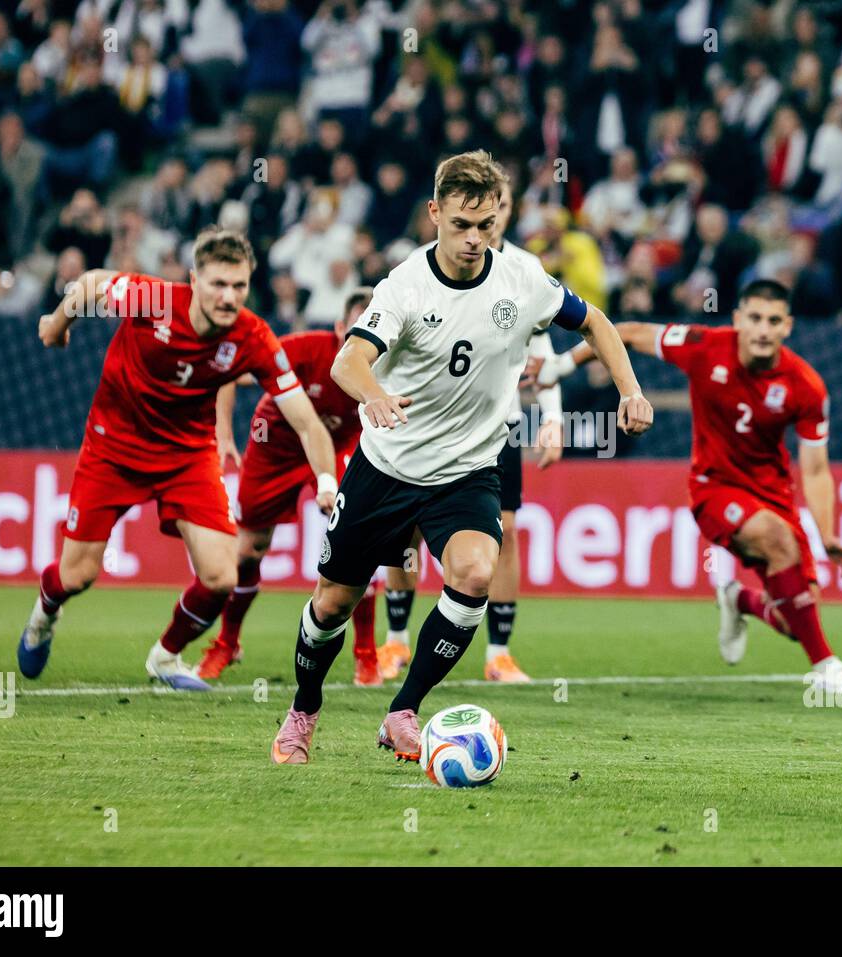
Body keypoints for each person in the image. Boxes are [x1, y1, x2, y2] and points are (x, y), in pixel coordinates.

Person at [269, 150, 653, 764]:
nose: (474, 239)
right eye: (460, 225)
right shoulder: (405, 285)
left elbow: (598, 324)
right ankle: (303, 709)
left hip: (468, 469)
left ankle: (403, 711)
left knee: (476, 573)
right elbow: (349, 360)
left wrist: (630, 390)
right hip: (387, 468)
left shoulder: (523, 280)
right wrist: (376, 395)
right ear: (434, 214)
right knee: (333, 603)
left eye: (487, 225)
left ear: (500, 216)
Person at [17, 228, 338, 690]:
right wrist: (55, 323)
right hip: (113, 448)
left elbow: (307, 421)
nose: (229, 297)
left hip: (187, 456)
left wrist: (326, 481)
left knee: (221, 576)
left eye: (239, 286)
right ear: (194, 279)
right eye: (217, 285)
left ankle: (165, 658)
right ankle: (43, 618)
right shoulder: (154, 299)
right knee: (77, 575)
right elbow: (89, 285)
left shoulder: (254, 338)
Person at [539, 279, 842, 694]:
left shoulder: (805, 385)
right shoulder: (703, 344)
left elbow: (817, 470)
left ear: (787, 326)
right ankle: (826, 668)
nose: (762, 330)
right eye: (754, 318)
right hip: (713, 489)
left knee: (793, 619)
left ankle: (737, 600)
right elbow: (626, 332)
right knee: (776, 538)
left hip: (773, 497)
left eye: (772, 321)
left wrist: (827, 534)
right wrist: (561, 365)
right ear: (738, 320)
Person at [380, 183, 565, 684]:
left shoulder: (525, 271)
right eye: (476, 212)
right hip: (424, 425)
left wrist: (551, 416)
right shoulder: (420, 267)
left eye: (499, 208)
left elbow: (541, 351)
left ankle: (499, 654)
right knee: (404, 534)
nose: (489, 218)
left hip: (494, 431)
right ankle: (395, 642)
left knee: (503, 535)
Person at [202, 287, 381, 685]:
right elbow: (229, 369)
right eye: (356, 326)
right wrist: (222, 432)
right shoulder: (304, 348)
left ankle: (366, 654)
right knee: (248, 551)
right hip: (276, 444)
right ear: (339, 328)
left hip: (344, 447)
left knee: (358, 543)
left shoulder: (391, 363)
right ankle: (227, 642)